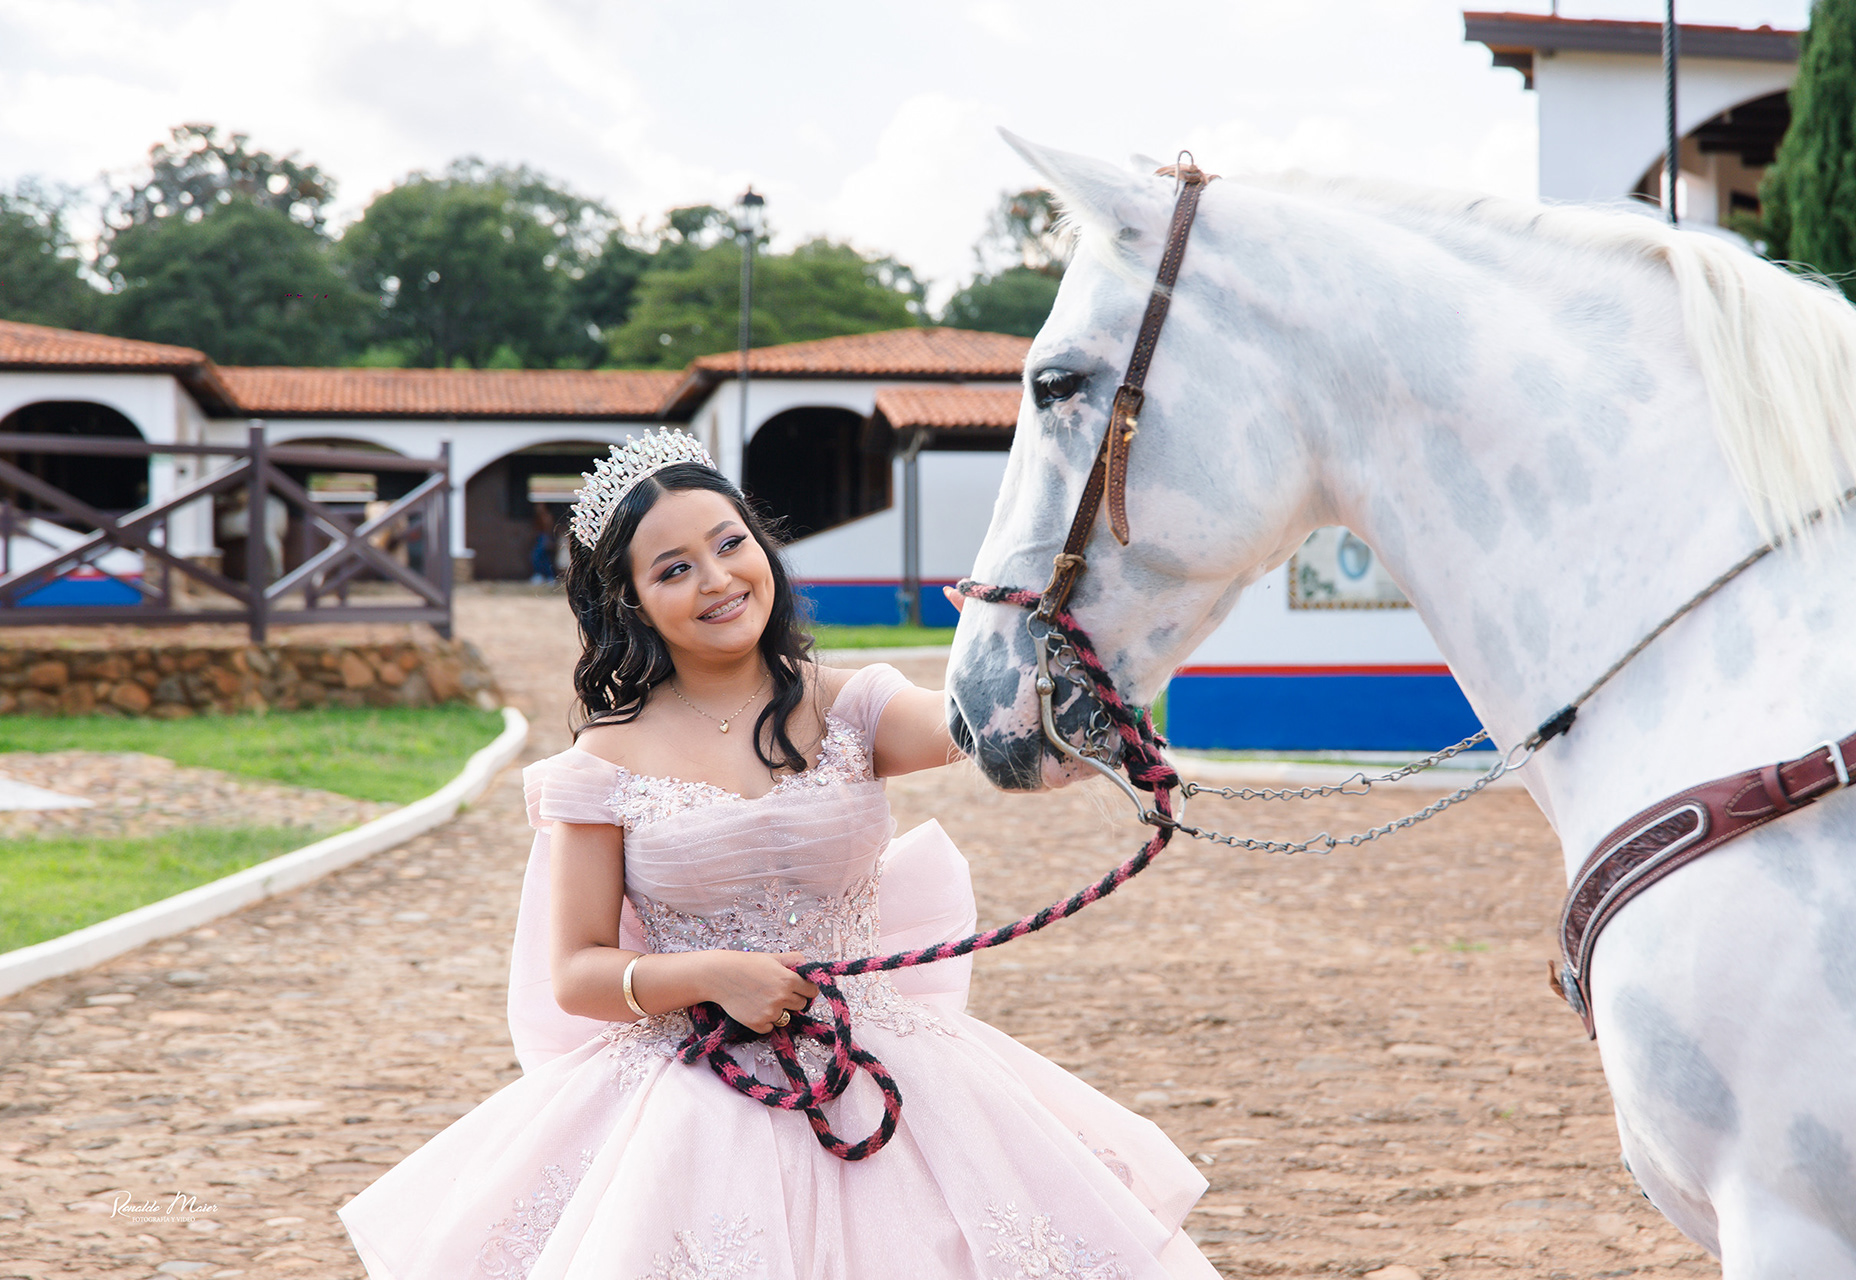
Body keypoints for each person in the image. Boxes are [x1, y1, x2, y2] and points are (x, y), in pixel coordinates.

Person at [336, 430, 1219, 1279]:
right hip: (691, 1088)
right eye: (674, 569)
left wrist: (1005, 653)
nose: (718, 579)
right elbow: (575, 973)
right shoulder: (599, 765)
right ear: (630, 601)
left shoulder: (853, 706)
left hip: (874, 1056)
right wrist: (715, 975)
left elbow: (981, 727)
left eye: (730, 544)